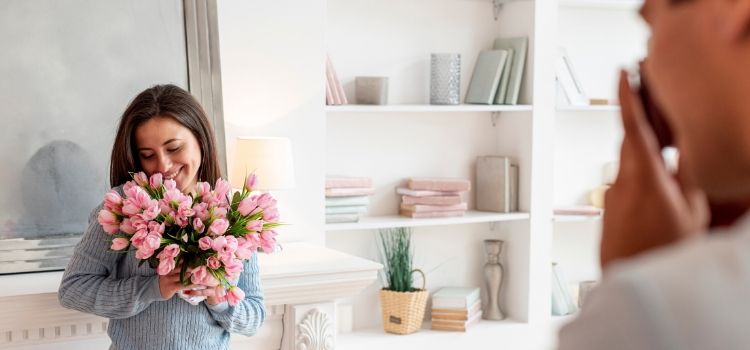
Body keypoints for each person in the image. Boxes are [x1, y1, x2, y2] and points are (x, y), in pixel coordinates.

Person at [558, 0, 750, 349]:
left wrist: (640, 283)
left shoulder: (648, 310)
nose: (646, 65)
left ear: (732, 8)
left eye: (653, 25)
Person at [58, 84, 266, 350]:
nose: (163, 166)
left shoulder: (233, 213)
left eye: (174, 148)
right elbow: (74, 290)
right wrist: (153, 288)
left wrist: (218, 297)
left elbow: (255, 317)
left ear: (200, 139)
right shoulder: (124, 206)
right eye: (148, 155)